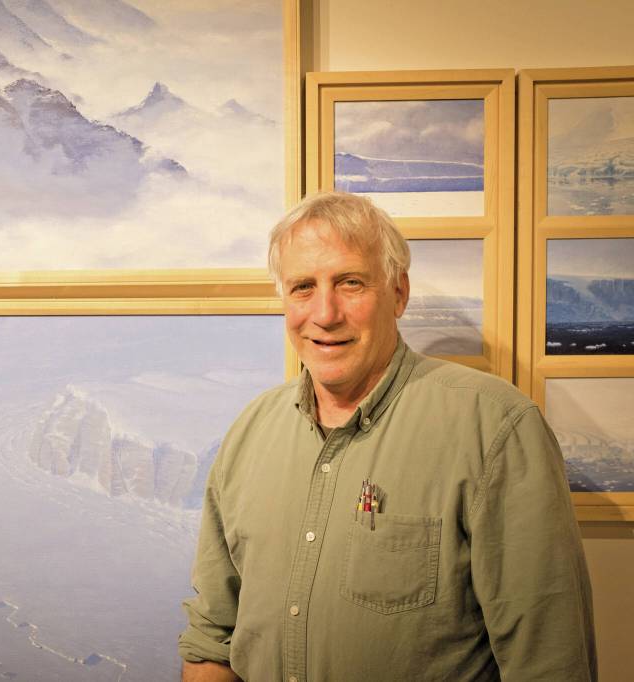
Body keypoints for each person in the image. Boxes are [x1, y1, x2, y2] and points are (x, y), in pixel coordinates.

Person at [178, 191, 596, 681]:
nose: (325, 313)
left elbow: (549, 660)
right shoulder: (250, 433)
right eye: (302, 288)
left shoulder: (494, 428)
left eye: (350, 283)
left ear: (399, 293)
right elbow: (213, 637)